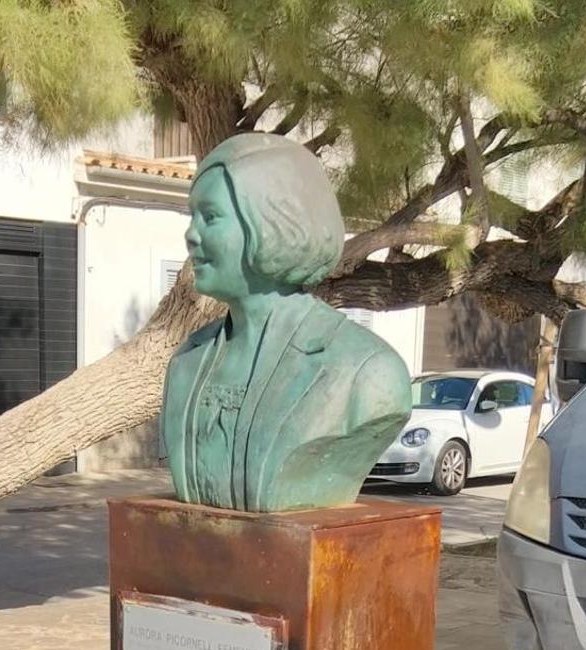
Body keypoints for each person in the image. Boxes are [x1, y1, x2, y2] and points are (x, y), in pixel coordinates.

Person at [159, 134, 411, 512]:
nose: (191, 235)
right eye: (191, 217)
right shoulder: (186, 363)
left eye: (210, 217)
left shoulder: (366, 371)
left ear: (273, 223)